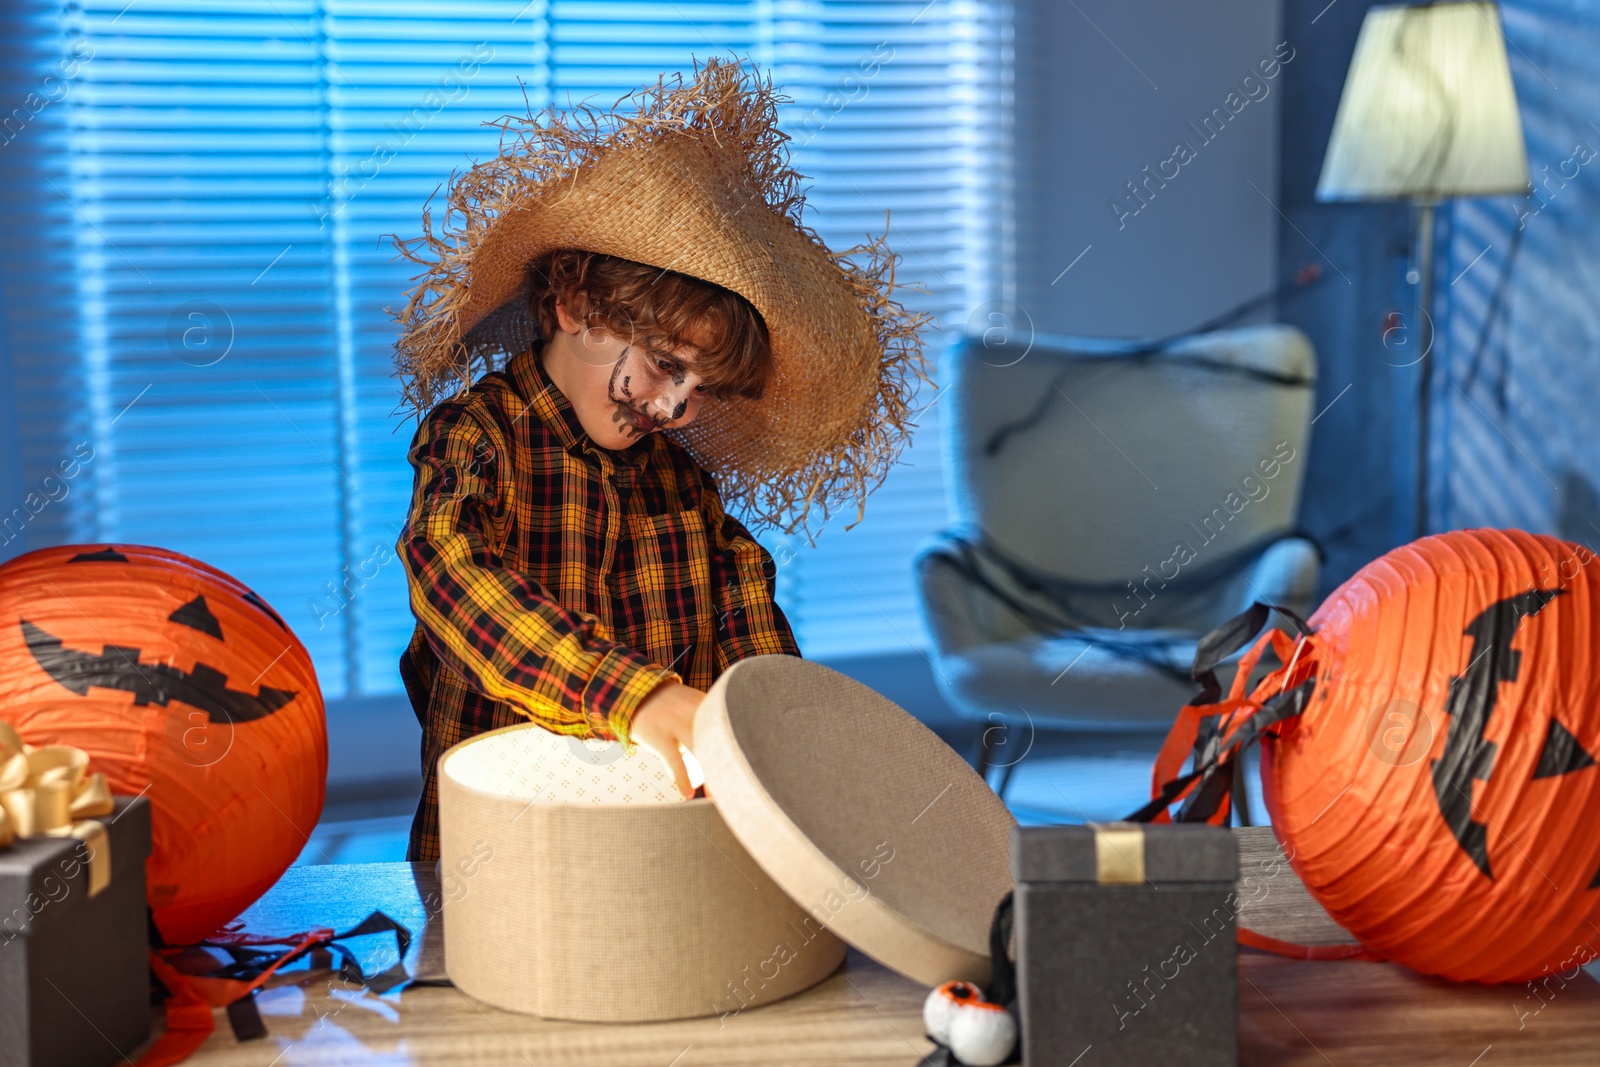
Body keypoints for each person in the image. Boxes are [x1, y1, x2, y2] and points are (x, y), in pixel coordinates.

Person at [392, 59, 928, 862]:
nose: (676, 408)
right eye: (665, 365)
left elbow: (748, 632)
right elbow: (453, 574)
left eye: (701, 389)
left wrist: (788, 746)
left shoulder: (683, 485)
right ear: (575, 306)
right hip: (501, 847)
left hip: (663, 848)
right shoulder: (480, 437)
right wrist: (632, 698)